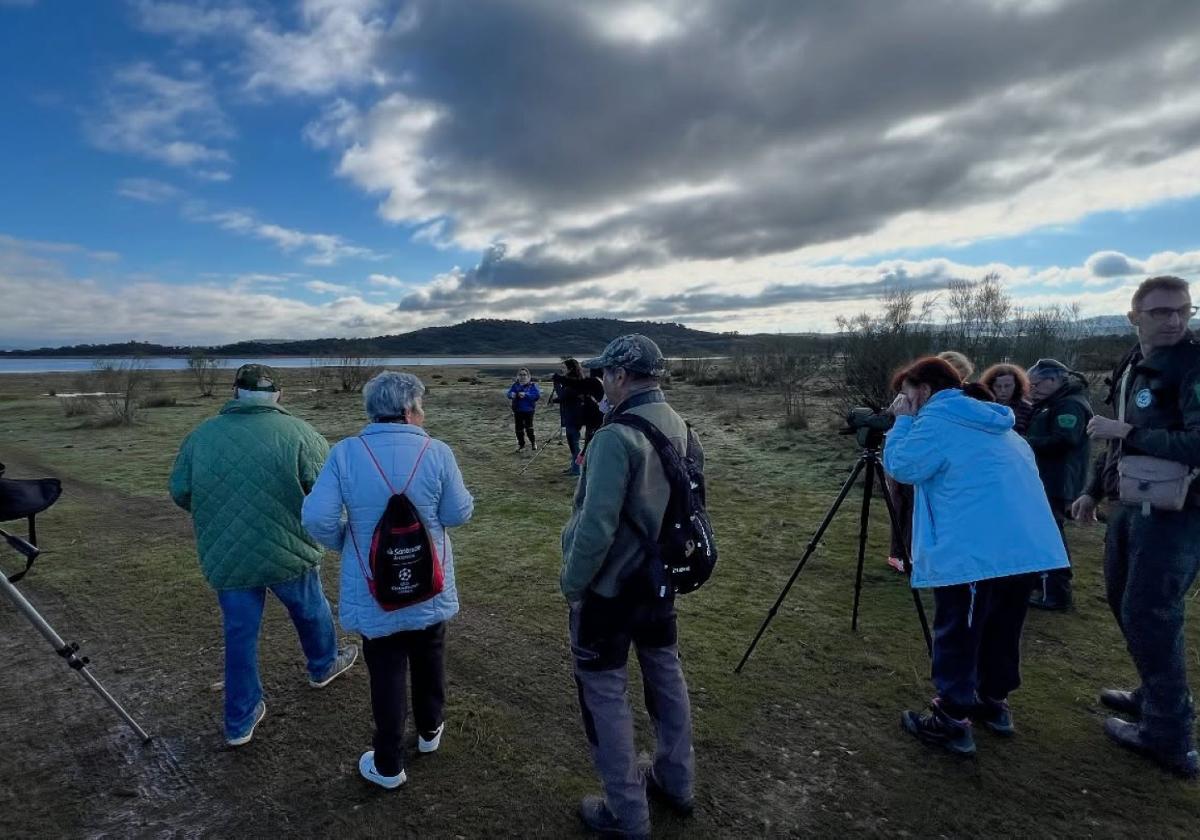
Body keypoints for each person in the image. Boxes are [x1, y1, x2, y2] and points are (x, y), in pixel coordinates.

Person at [883, 356, 1068, 756]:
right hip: (1023, 548)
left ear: (925, 390)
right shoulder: (992, 420)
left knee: (959, 632)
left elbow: (901, 465)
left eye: (905, 394)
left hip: (975, 550)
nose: (902, 401)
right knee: (1002, 628)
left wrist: (901, 422)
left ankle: (951, 720)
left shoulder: (937, 420)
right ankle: (993, 702)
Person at [302, 371, 474, 790]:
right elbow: (457, 514)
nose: (423, 412)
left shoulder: (346, 453)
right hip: (429, 582)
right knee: (431, 654)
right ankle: (431, 731)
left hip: (373, 586)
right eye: (421, 405)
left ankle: (388, 763)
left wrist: (351, 542)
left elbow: (316, 517)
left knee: (386, 668)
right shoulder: (438, 452)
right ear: (408, 408)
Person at [169, 364, 357, 747]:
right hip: (289, 546)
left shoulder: (201, 437)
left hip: (228, 554)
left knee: (240, 633)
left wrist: (219, 516)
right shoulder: (299, 432)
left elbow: (180, 491)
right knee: (311, 608)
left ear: (234, 393)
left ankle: (240, 718)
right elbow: (323, 493)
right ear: (277, 395)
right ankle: (323, 665)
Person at [561, 335, 697, 839]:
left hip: (609, 592)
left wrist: (572, 584)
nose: (601, 383)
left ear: (620, 376)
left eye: (606, 375)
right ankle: (676, 782)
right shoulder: (680, 426)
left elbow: (595, 527)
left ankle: (626, 814)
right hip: (659, 586)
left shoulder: (614, 438)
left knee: (604, 692)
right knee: (666, 675)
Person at [1072, 275, 1200, 779]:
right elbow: (1113, 443)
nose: (1173, 320)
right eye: (1160, 311)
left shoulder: (1193, 365)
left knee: (1153, 613)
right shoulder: (1133, 363)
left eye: (1182, 311)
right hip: (1131, 504)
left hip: (1178, 513)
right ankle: (1153, 695)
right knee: (1125, 600)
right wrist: (1092, 490)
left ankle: (1169, 736)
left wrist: (1129, 431)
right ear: (1134, 316)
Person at [1024, 359, 1092, 610]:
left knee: (1050, 536)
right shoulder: (1053, 403)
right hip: (1048, 479)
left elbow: (1066, 439)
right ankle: (1038, 586)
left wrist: (1025, 442)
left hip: (1058, 481)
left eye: (1037, 384)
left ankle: (1057, 593)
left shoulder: (1069, 405)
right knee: (1041, 534)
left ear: (1054, 380)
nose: (1032, 389)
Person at [552, 358, 588, 475]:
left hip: (574, 417)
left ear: (571, 368)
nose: (562, 370)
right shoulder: (572, 381)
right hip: (571, 416)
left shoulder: (574, 382)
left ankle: (577, 469)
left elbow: (563, 395)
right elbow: (566, 397)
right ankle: (574, 466)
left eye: (564, 367)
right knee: (572, 443)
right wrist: (556, 400)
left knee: (574, 443)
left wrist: (556, 383)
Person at [980, 363, 1034, 434]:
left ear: (1017, 385)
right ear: (991, 386)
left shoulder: (1027, 409)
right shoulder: (983, 407)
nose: (1003, 390)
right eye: (998, 386)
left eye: (1007, 386)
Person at [506, 368, 541, 453]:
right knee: (518, 428)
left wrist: (526, 395)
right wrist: (511, 395)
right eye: (521, 375)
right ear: (518, 376)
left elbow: (536, 396)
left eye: (524, 375)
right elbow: (509, 394)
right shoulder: (515, 385)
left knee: (529, 427)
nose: (522, 377)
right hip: (517, 410)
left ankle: (533, 443)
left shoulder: (532, 385)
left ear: (528, 376)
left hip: (529, 410)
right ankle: (521, 445)